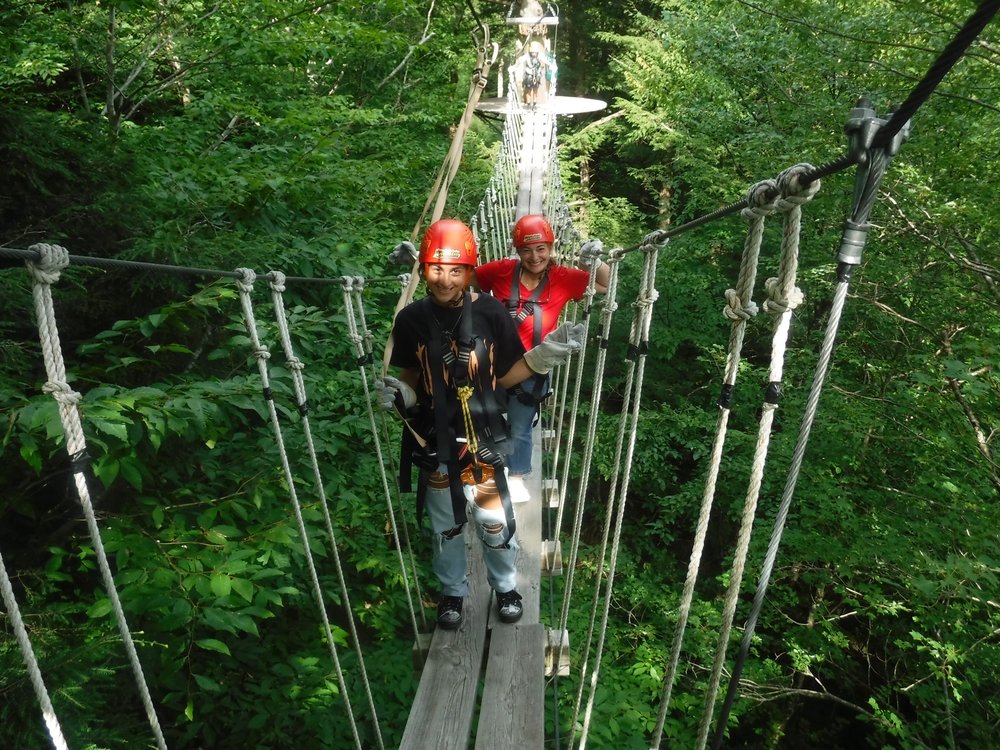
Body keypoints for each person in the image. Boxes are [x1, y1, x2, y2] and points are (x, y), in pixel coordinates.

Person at [377, 219, 585, 630]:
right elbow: (412, 379)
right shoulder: (411, 320)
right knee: (447, 527)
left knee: (493, 521)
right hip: (436, 438)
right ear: (423, 270)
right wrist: (402, 397)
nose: (445, 280)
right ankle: (452, 594)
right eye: (436, 268)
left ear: (471, 271)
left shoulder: (490, 312)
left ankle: (505, 587)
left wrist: (541, 357)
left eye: (456, 270)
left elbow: (505, 375)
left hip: (485, 436)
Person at [473, 214, 609, 503]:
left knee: (520, 425)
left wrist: (592, 263)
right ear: (517, 251)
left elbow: (605, 285)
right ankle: (486, 469)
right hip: (493, 362)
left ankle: (517, 476)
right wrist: (424, 263)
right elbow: (463, 277)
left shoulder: (563, 279)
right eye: (527, 250)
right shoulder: (500, 271)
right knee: (485, 417)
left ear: (551, 248)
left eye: (541, 249)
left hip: (533, 365)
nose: (535, 257)